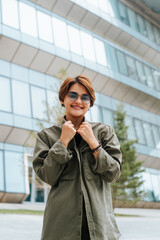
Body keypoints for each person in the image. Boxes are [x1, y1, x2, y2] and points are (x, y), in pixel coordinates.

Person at [33, 75, 122, 240]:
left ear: (90, 103)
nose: (78, 101)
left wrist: (94, 143)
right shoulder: (46, 136)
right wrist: (62, 142)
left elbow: (114, 173)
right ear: (63, 99)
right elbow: (47, 176)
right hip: (61, 228)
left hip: (100, 228)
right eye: (72, 95)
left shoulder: (104, 133)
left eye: (84, 97)